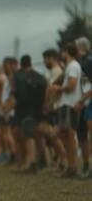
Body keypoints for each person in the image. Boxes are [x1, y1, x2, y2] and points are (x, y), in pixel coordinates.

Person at [51, 43, 82, 178]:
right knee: (57, 135)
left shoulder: (73, 66)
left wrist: (59, 89)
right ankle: (67, 164)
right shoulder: (70, 67)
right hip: (65, 105)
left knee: (70, 136)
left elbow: (72, 85)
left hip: (70, 104)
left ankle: (72, 168)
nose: (61, 54)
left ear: (67, 52)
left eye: (63, 52)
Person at [12, 55, 47, 173]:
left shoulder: (18, 76)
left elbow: (17, 93)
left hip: (24, 110)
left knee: (27, 136)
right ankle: (42, 159)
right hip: (38, 110)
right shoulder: (40, 77)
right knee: (36, 135)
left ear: (21, 65)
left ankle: (31, 163)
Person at [41, 49, 67, 173]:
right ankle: (57, 161)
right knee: (51, 136)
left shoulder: (57, 71)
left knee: (53, 135)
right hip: (54, 107)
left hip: (55, 107)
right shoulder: (54, 71)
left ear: (52, 58)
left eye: (45, 58)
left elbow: (52, 90)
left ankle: (61, 159)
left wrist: (47, 105)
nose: (44, 62)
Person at [74, 37, 92, 178]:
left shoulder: (87, 62)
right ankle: (86, 166)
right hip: (86, 104)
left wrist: (81, 100)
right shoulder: (82, 63)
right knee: (83, 136)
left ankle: (88, 167)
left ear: (81, 47)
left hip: (87, 103)